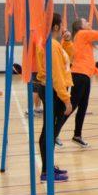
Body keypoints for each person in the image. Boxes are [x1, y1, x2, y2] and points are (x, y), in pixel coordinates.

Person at [36, 14, 73, 181]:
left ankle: (48, 168)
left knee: (48, 131)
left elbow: (67, 60)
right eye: (62, 25)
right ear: (56, 27)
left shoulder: (53, 44)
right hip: (54, 92)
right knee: (49, 132)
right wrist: (66, 100)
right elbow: (57, 75)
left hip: (51, 91)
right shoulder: (51, 45)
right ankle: (46, 171)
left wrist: (66, 42)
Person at [66, 19, 98, 147]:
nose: (89, 23)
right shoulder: (83, 33)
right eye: (86, 22)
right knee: (72, 106)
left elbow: (88, 61)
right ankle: (54, 134)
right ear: (80, 26)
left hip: (84, 75)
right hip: (80, 75)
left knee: (82, 107)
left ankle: (77, 135)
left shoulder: (82, 37)